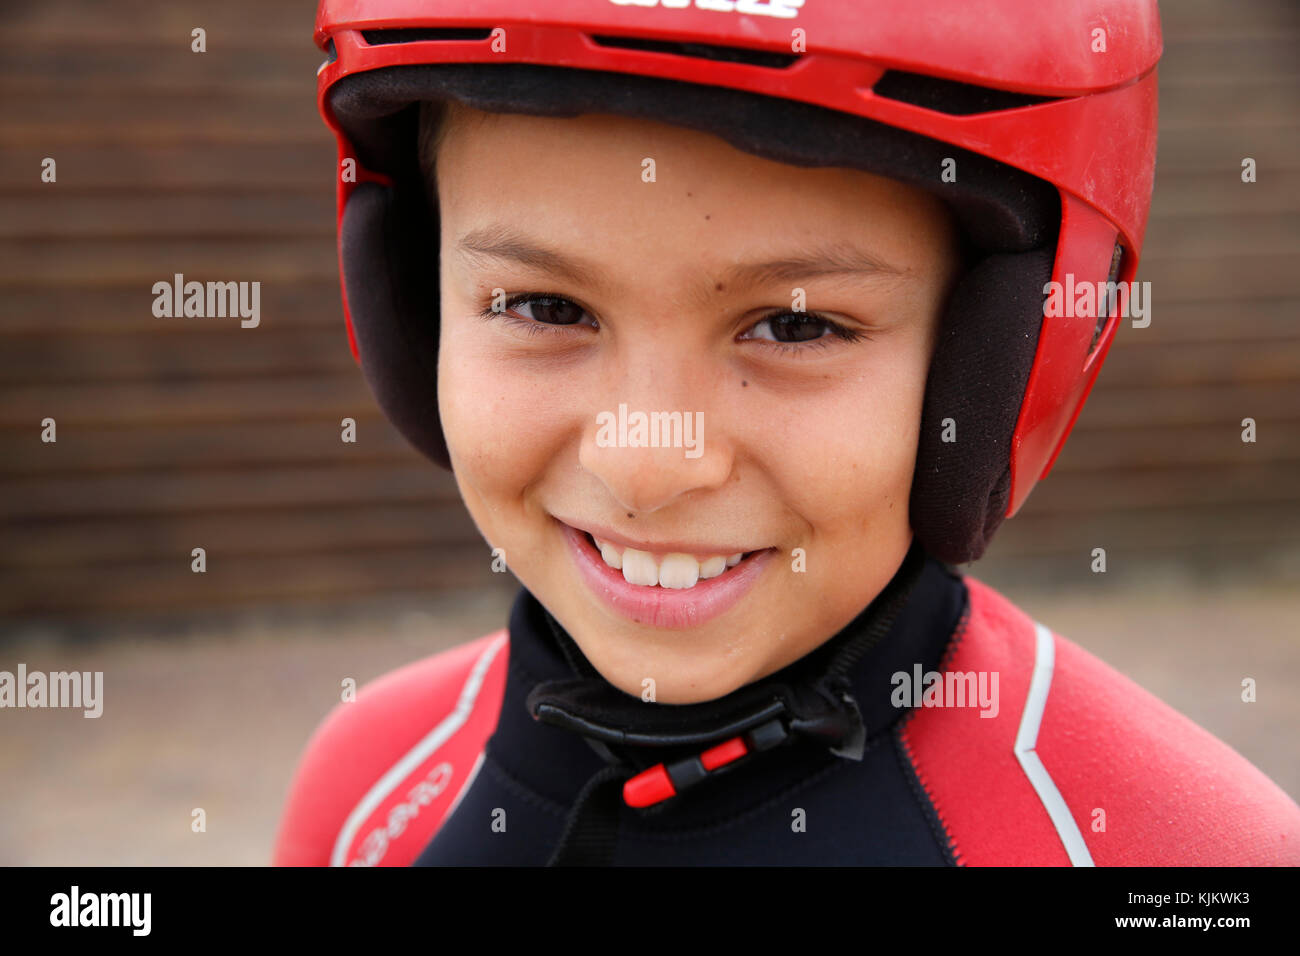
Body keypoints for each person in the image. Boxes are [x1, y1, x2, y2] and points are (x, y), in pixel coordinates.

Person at [273, 0, 1300, 866]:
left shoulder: (1182, 851)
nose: (646, 462)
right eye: (544, 308)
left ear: (998, 358)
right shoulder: (366, 789)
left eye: (796, 324)